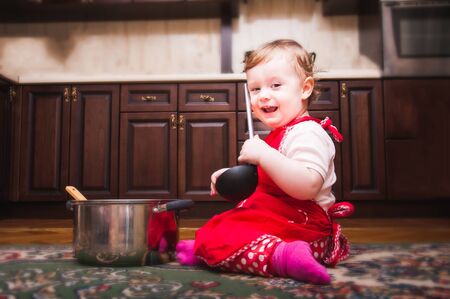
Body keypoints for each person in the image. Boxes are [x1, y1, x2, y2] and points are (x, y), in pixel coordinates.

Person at [176, 39, 354, 284]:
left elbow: (307, 186)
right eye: (256, 89)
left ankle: (283, 257)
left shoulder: (308, 133)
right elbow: (268, 178)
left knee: (232, 233)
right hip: (277, 218)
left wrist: (264, 154)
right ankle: (206, 247)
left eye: (275, 85)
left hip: (304, 227)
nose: (263, 96)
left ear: (305, 88)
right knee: (222, 224)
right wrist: (229, 174)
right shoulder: (277, 134)